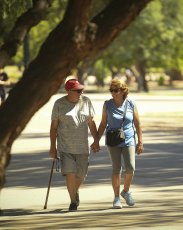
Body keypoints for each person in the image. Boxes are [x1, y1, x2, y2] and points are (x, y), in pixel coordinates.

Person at [49, 79, 100, 212]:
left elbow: (91, 123)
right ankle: (73, 201)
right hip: (65, 147)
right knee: (70, 173)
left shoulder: (86, 101)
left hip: (82, 147)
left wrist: (96, 140)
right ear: (69, 91)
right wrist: (53, 147)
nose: (81, 92)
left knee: (81, 175)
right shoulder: (59, 104)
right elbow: (54, 127)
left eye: (81, 90)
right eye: (78, 91)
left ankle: (74, 190)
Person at [97, 79, 143, 209]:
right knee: (116, 169)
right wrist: (96, 140)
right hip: (112, 140)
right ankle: (116, 198)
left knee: (130, 168)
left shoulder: (131, 104)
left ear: (123, 91)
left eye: (116, 90)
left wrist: (140, 142)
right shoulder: (107, 104)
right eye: (111, 90)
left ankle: (126, 191)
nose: (113, 93)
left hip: (128, 139)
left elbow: (138, 124)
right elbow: (102, 123)